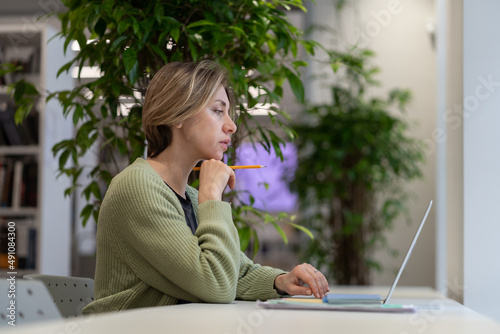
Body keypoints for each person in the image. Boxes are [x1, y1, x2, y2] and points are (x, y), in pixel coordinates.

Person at [82, 60, 329, 314]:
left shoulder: (187, 195)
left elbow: (236, 272)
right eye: (218, 111)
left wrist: (280, 281)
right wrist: (211, 195)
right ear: (177, 114)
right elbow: (216, 284)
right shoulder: (137, 187)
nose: (231, 125)